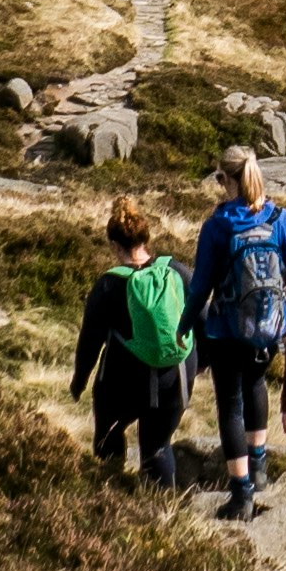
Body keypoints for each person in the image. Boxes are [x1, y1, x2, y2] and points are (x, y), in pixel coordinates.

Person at [190, 148, 286, 522]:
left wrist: (181, 327)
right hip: (270, 329)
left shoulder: (219, 225)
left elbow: (201, 286)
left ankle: (241, 495)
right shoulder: (282, 219)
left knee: (231, 404)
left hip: (227, 330)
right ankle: (259, 469)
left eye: (220, 179)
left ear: (228, 180)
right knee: (256, 386)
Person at [66, 194, 191, 490]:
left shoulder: (108, 284)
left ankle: (111, 501)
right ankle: (163, 516)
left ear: (114, 245)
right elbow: (200, 318)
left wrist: (79, 381)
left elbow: (90, 340)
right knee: (157, 447)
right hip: (173, 380)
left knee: (109, 436)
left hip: (122, 383)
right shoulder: (177, 272)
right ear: (146, 239)